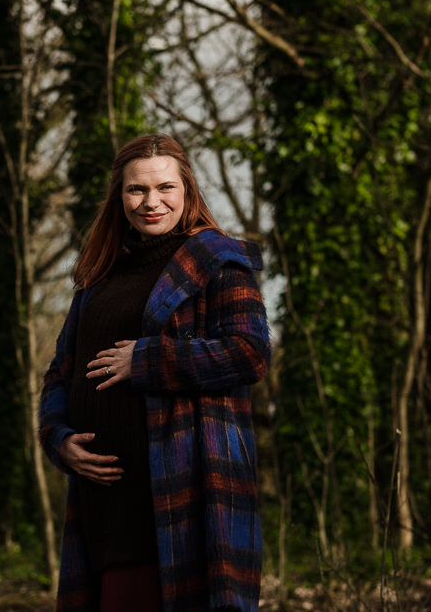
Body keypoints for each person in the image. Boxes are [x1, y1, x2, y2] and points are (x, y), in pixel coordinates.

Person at [38, 134, 269, 611]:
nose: (151, 202)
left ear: (187, 190)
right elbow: (61, 372)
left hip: (181, 491)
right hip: (102, 504)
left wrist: (148, 360)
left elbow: (250, 352)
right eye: (136, 190)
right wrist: (58, 438)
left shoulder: (218, 262)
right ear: (119, 197)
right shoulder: (99, 275)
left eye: (165, 187)